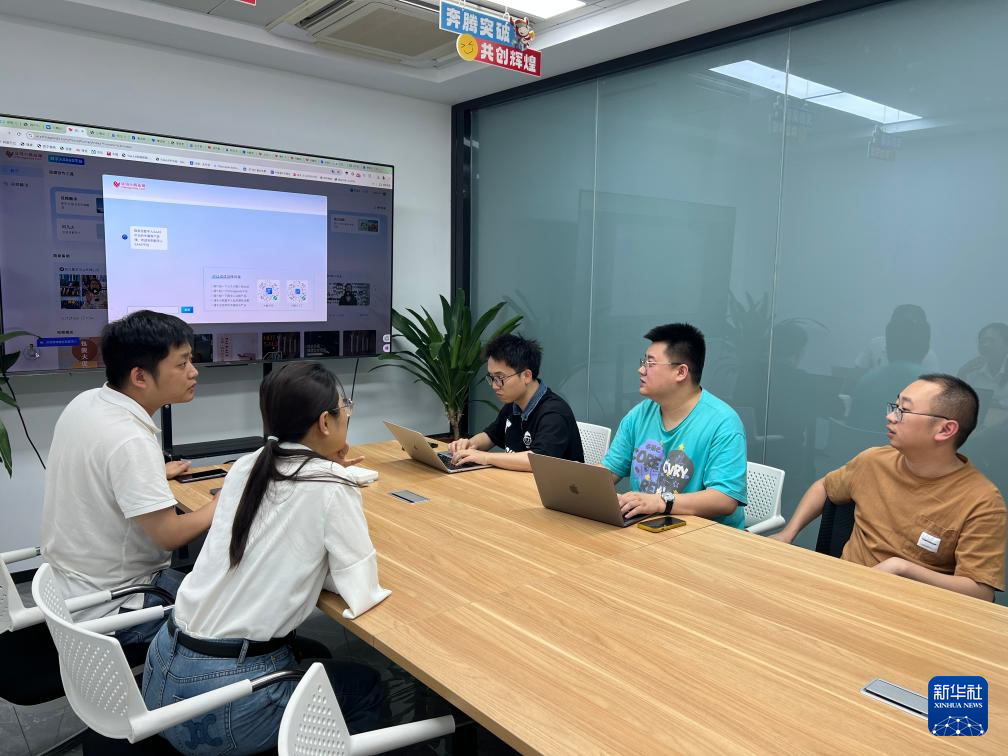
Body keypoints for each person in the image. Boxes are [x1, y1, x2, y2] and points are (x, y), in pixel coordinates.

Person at [144, 362, 388, 755]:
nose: (349, 413)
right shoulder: (331, 484)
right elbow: (359, 588)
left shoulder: (248, 465)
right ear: (325, 422)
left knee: (317, 656)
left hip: (161, 674)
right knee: (366, 687)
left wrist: (328, 468)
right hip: (223, 704)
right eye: (346, 406)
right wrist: (333, 476)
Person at [41, 310, 214, 643]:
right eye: (182, 364)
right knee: (234, 607)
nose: (193, 372)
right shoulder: (129, 439)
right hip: (119, 607)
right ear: (140, 377)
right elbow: (169, 535)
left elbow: (98, 471)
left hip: (69, 591)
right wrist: (225, 500)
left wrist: (151, 473)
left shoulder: (87, 402)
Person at [772, 374, 1006, 601]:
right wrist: (788, 533)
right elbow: (825, 486)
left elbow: (980, 593)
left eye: (904, 410)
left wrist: (903, 568)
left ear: (945, 430)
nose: (891, 416)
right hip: (844, 590)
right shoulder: (874, 461)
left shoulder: (982, 501)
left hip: (910, 607)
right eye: (895, 407)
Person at [602, 323, 748, 528]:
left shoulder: (723, 423)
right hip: (647, 529)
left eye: (650, 363)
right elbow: (609, 471)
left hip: (706, 536)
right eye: (643, 362)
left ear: (680, 372)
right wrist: (576, 483)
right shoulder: (639, 415)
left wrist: (660, 502)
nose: (641, 369)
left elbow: (724, 499)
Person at [449, 333, 584, 471]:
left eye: (500, 378)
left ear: (526, 376)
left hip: (554, 484)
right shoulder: (514, 404)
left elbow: (538, 460)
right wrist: (468, 445)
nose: (494, 386)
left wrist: (486, 457)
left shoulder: (554, 413)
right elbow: (490, 436)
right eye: (492, 378)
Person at [847, 313, 930, 429]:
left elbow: (852, 425)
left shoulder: (865, 381)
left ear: (887, 349)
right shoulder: (934, 390)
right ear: (926, 350)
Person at [854, 304, 940, 374]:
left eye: (910, 326)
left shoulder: (929, 357)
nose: (905, 329)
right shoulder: (875, 345)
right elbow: (857, 373)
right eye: (901, 325)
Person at [958, 322, 1008, 411]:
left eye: (991, 341)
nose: (985, 345)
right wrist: (961, 373)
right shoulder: (971, 370)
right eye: (982, 341)